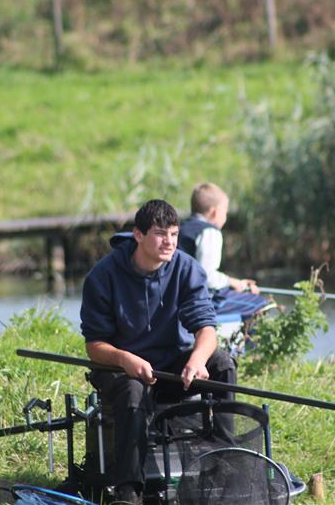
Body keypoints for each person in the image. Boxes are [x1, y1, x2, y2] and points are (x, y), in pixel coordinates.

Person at [80, 199, 236, 505]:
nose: (169, 242)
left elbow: (206, 329)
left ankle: (224, 465)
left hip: (170, 368)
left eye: (174, 234)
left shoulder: (186, 268)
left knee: (222, 363)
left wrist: (197, 359)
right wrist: (124, 358)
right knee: (133, 390)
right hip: (121, 371)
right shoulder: (103, 275)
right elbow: (94, 346)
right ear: (138, 235)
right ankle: (129, 490)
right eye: (160, 234)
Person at [179, 183, 270, 323]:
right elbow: (206, 277)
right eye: (225, 212)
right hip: (195, 302)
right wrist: (232, 282)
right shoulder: (209, 231)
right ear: (215, 212)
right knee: (261, 304)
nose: (225, 216)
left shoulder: (180, 228)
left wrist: (234, 284)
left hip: (179, 296)